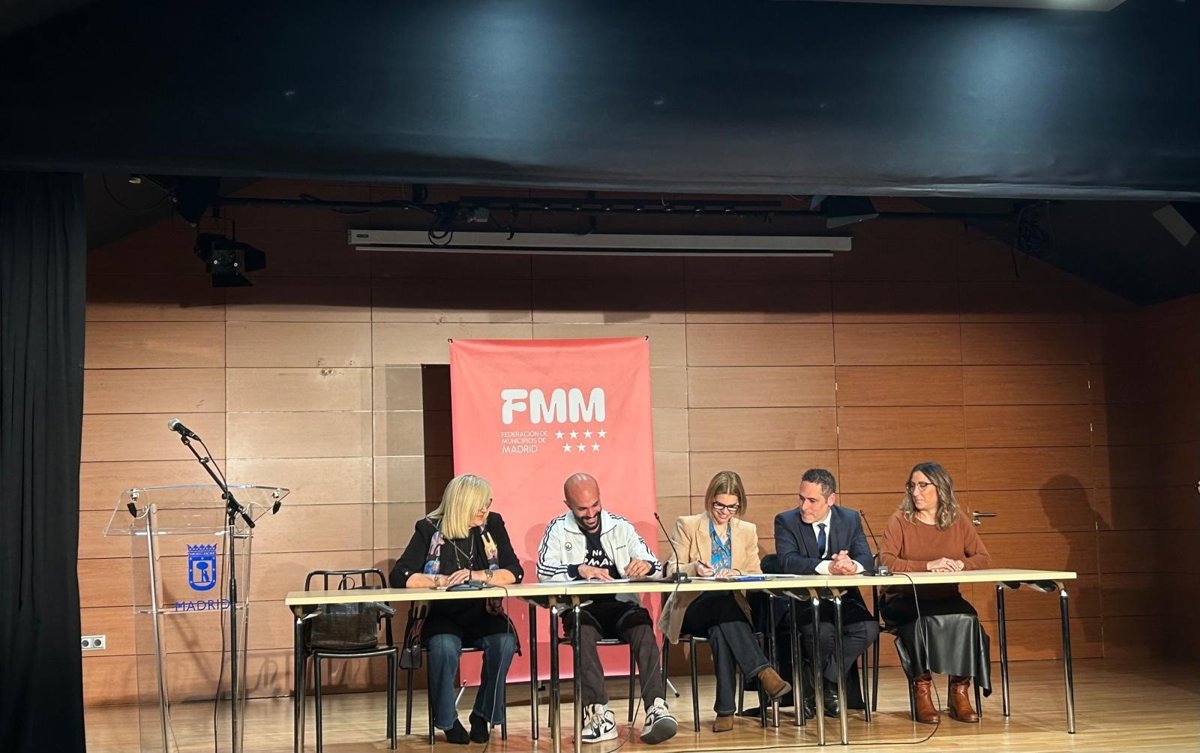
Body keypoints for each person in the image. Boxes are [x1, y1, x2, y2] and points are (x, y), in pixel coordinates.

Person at [536, 472, 678, 745]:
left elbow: (655, 565)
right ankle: (599, 715)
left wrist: (645, 566)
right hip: (582, 607)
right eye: (582, 509)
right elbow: (544, 571)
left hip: (621, 604)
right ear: (568, 505)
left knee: (642, 626)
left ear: (600, 499)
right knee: (581, 631)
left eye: (595, 505)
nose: (591, 514)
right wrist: (578, 569)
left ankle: (656, 708)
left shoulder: (620, 526)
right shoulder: (557, 529)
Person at [390, 474, 522, 745]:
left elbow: (514, 572)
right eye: (479, 504)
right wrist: (439, 581)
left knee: (505, 641)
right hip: (442, 615)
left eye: (487, 503)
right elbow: (400, 575)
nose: (485, 510)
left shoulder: (493, 525)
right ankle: (447, 721)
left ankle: (483, 714)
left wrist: (477, 575)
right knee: (444, 647)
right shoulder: (429, 529)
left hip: (484, 612)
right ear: (462, 503)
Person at [658, 470, 792, 732]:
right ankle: (764, 672)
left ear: (739, 505)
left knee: (722, 626)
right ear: (710, 499)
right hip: (693, 608)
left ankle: (725, 710)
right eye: (720, 505)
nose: (725, 512)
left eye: (732, 507)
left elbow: (755, 573)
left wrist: (737, 573)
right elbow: (671, 568)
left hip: (729, 610)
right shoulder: (688, 525)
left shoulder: (747, 530)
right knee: (722, 606)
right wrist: (695, 568)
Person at [878, 461, 993, 725]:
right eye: (912, 486)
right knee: (921, 622)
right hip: (904, 599)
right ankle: (922, 691)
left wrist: (962, 564)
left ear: (940, 488)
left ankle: (959, 692)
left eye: (922, 485)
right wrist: (928, 566)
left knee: (969, 620)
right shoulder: (900, 520)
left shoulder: (957, 520)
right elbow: (885, 561)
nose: (915, 492)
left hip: (945, 597)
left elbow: (984, 558)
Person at [773, 468, 880, 718]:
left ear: (831, 499)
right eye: (801, 498)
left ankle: (826, 682)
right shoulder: (786, 521)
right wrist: (829, 567)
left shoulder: (850, 518)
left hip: (844, 597)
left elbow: (866, 558)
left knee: (868, 628)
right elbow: (788, 561)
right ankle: (828, 689)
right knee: (823, 633)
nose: (804, 506)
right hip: (805, 599)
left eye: (812, 500)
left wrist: (852, 565)